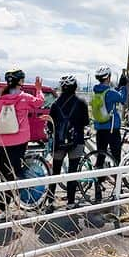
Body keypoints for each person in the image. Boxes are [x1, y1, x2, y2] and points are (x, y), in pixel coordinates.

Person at [0, 69, 43, 217]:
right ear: (20, 81)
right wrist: (38, 89)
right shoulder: (24, 97)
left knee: (3, 173)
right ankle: (1, 209)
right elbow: (39, 103)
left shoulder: (0, 100)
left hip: (4, 140)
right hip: (19, 140)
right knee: (13, 174)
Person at [45, 75, 89, 209]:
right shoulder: (81, 102)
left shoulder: (55, 103)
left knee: (55, 172)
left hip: (59, 143)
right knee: (72, 172)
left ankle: (50, 202)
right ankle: (70, 202)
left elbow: (49, 124)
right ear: (75, 86)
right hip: (77, 141)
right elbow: (86, 122)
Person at [89, 65, 127, 203]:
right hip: (112, 129)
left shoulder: (96, 92)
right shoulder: (110, 92)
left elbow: (111, 96)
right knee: (116, 157)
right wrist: (123, 86)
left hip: (100, 129)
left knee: (100, 156)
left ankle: (98, 188)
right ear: (108, 77)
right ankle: (118, 188)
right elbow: (122, 99)